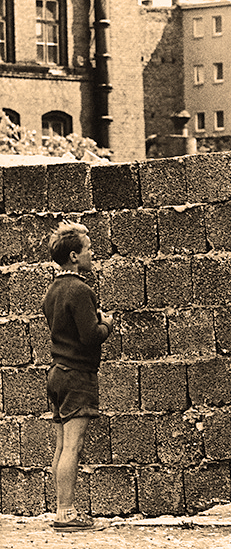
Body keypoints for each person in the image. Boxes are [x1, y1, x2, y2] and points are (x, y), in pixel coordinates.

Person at [42, 221, 114, 532]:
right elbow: (89, 336)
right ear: (74, 256)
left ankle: (61, 510)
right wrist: (106, 324)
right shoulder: (81, 290)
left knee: (61, 445)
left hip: (57, 373)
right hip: (78, 376)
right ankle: (67, 514)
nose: (92, 252)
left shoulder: (52, 291)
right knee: (74, 445)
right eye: (88, 249)